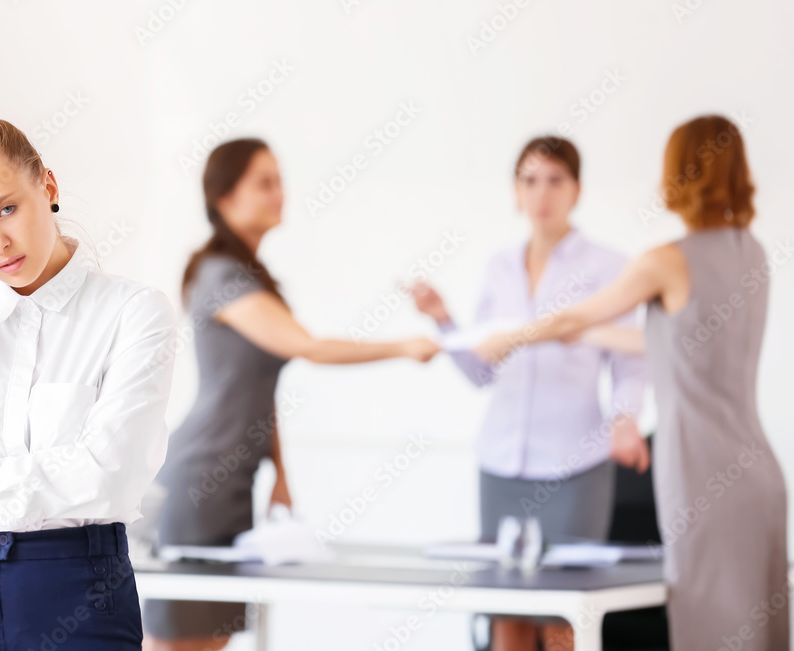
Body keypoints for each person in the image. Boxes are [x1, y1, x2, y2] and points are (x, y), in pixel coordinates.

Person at [474, 115, 790, 650]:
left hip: (701, 472)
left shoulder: (663, 263)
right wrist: (589, 335)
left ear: (679, 174)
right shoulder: (753, 254)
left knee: (709, 630)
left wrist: (514, 337)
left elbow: (572, 318)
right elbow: (676, 345)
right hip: (758, 473)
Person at [0, 112, 177, 650]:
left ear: (48, 185)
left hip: (79, 590)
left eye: (7, 209)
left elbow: (108, 475)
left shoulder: (134, 313)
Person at [141, 138, 440, 651]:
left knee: (211, 643)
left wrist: (281, 473)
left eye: (279, 179)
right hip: (200, 486)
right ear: (225, 197)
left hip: (236, 485)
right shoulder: (219, 275)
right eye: (265, 182)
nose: (280, 192)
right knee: (176, 645)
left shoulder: (252, 277)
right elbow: (310, 347)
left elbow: (262, 389)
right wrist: (404, 346)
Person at [411, 135, 650, 651]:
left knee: (562, 617)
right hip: (501, 465)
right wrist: (444, 320)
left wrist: (626, 419)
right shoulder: (499, 266)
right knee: (507, 613)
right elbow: (481, 371)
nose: (541, 193)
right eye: (529, 180)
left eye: (555, 180)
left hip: (575, 465)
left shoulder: (609, 266)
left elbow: (631, 361)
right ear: (516, 192)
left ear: (577, 190)